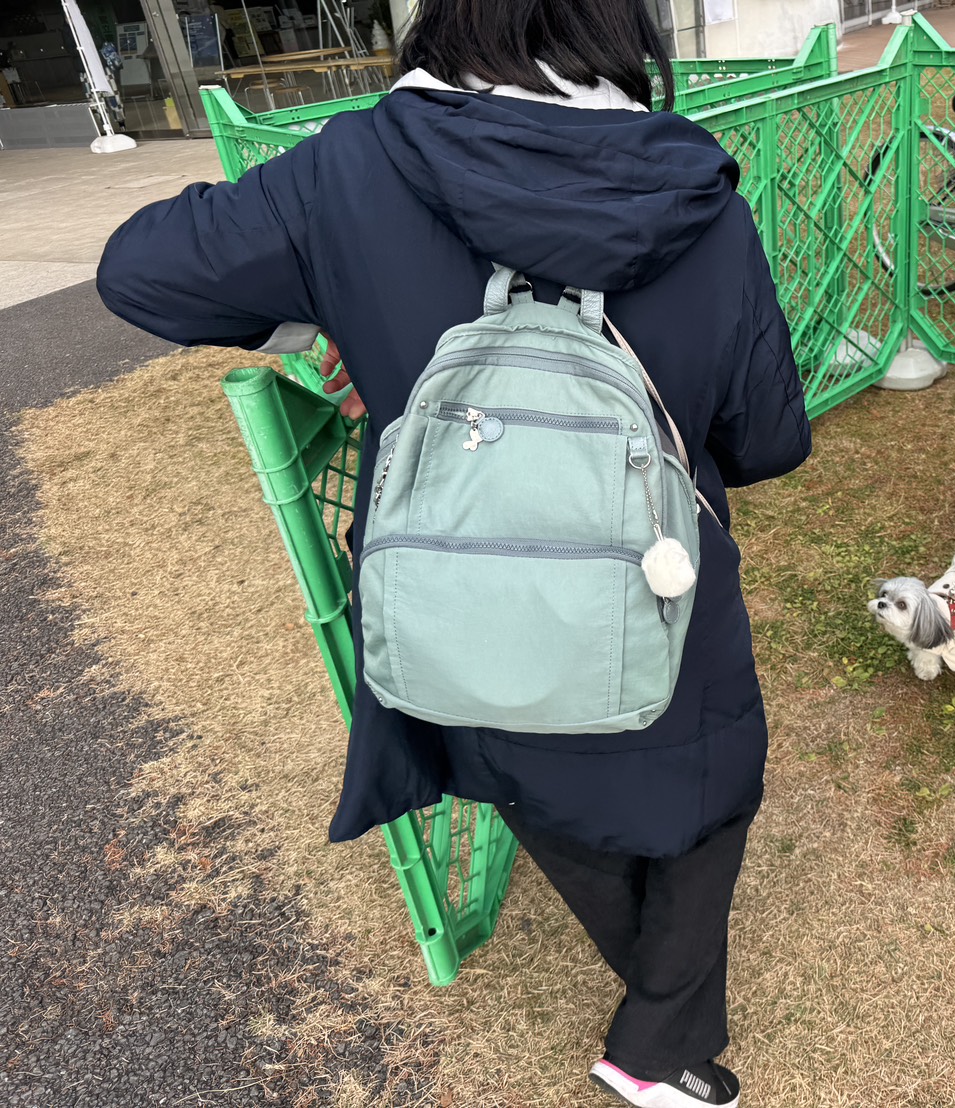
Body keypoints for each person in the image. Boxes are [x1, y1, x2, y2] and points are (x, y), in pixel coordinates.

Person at [96, 1, 811, 1104]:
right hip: (660, 585)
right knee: (708, 795)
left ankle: (657, 1036)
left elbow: (141, 272)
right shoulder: (694, 192)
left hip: (457, 603)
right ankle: (657, 1042)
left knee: (539, 777)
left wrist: (330, 310)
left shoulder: (348, 170)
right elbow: (766, 440)